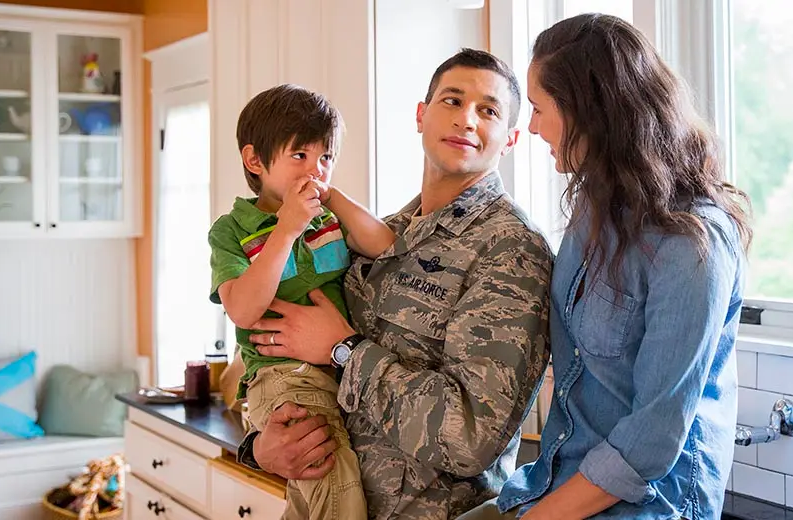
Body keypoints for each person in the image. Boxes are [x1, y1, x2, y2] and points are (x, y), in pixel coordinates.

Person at [234, 49, 554, 519]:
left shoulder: (510, 250)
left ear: (508, 139)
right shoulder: (376, 234)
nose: (466, 120)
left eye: (488, 110)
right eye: (452, 100)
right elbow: (280, 354)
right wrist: (262, 447)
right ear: (421, 117)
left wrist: (344, 350)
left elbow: (470, 440)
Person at [460, 13, 753, 520]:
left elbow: (648, 445)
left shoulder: (693, 246)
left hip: (648, 506)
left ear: (589, 113)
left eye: (539, 109)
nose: (530, 126)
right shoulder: (593, 211)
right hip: (558, 482)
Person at [209, 83, 395, 519]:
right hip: (282, 376)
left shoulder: (326, 217)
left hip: (337, 374)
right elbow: (242, 309)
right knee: (334, 478)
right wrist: (285, 229)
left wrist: (333, 197)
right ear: (255, 160)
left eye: (325, 158)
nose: (316, 170)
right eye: (300, 156)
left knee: (308, 499)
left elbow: (384, 244)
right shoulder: (233, 229)